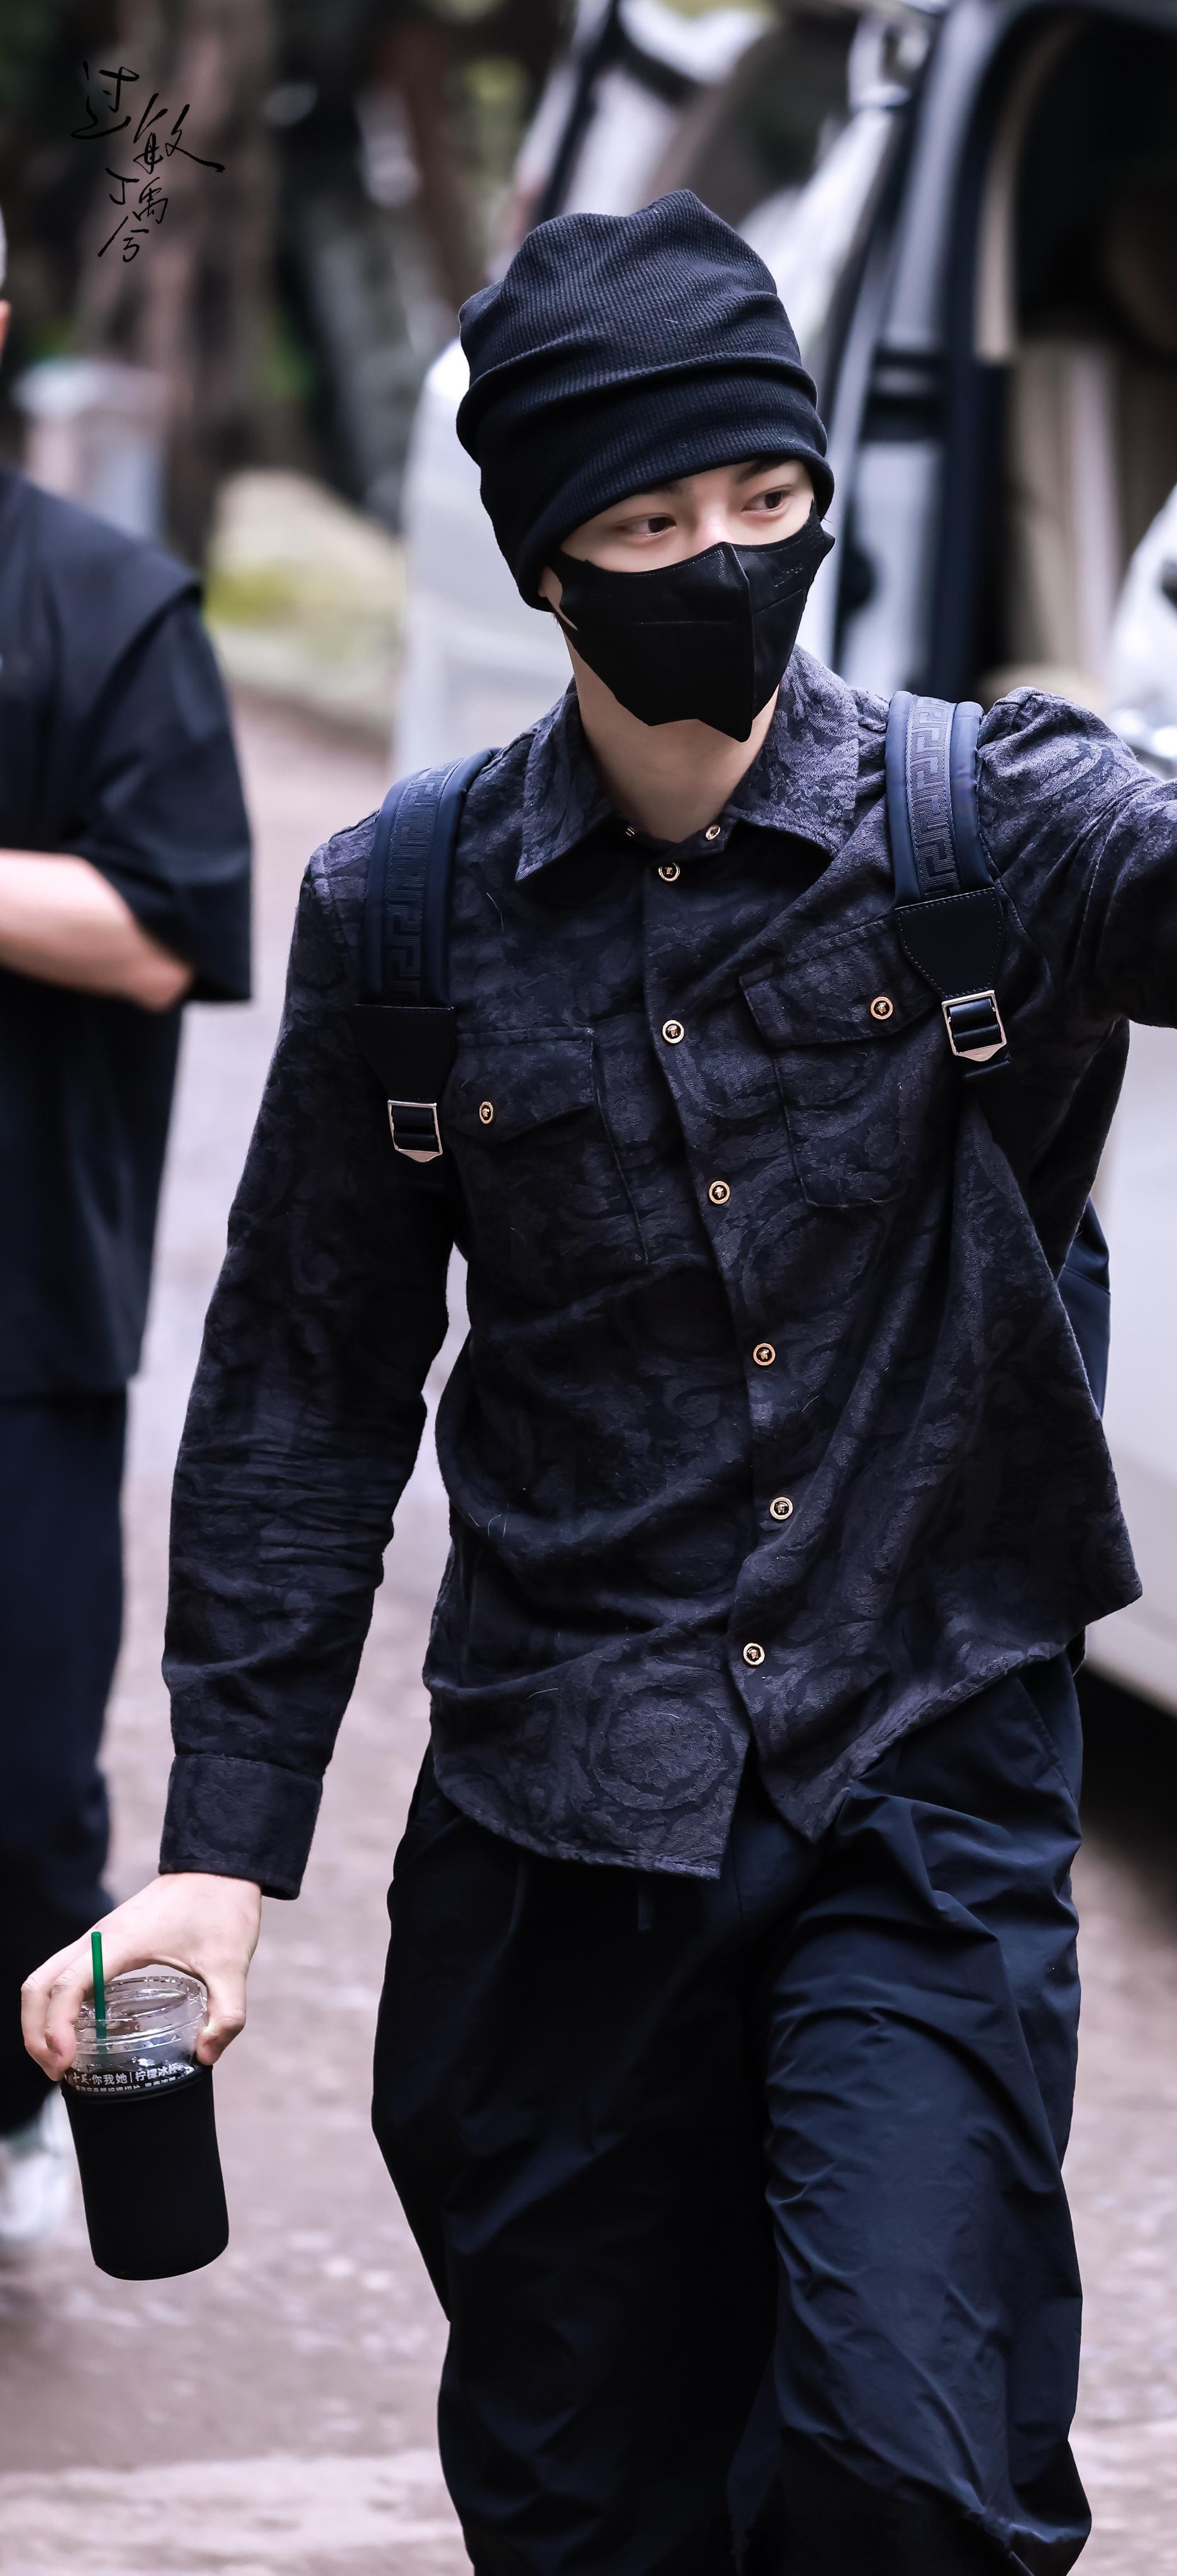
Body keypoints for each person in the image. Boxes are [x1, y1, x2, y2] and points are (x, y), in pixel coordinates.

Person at [23, 192, 1177, 2568]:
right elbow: (305, 1381)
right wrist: (218, 1853)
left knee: (914, 2474)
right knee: (591, 2508)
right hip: (558, 1826)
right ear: (547, 561)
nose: (722, 559)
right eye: (650, 524)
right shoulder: (403, 911)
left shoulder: (985, 820)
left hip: (920, 1780)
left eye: (766, 498)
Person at [0, 206, 252, 2264]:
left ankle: (21, 2112)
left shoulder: (104, 603)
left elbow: (170, 925)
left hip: (21, 1307)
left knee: (17, 1784)